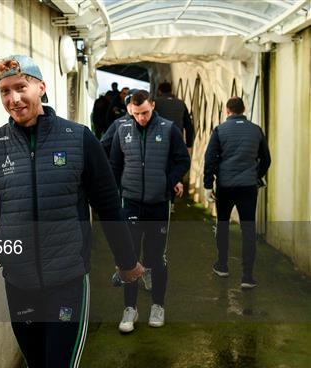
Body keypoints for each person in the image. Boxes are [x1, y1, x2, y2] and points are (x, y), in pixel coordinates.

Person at [0, 55, 144, 368]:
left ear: (41, 87)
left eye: (21, 87)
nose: (13, 99)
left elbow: (108, 205)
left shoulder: (78, 138)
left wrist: (126, 262)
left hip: (67, 280)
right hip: (19, 284)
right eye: (4, 91)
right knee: (36, 365)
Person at [110, 90, 190, 332]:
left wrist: (170, 180)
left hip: (158, 204)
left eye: (144, 112)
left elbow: (182, 160)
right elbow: (114, 164)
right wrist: (114, 195)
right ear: (130, 111)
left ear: (152, 106)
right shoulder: (122, 130)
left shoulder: (168, 129)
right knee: (130, 257)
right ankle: (130, 310)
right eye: (136, 114)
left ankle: (158, 305)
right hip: (131, 202)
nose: (141, 118)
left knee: (156, 258)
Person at [204, 96, 271, 289]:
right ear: (244, 110)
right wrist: (257, 175)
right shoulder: (256, 130)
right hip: (248, 187)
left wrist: (209, 185)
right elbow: (266, 159)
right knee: (248, 229)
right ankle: (247, 276)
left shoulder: (219, 130)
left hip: (225, 186)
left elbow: (210, 160)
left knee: (222, 224)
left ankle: (222, 265)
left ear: (227, 110)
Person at [155, 82, 195, 213]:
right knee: (174, 170)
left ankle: (161, 199)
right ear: (171, 90)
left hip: (158, 141)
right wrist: (189, 144)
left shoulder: (155, 102)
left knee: (160, 169)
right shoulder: (180, 103)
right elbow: (189, 126)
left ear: (160, 90)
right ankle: (171, 202)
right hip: (177, 142)